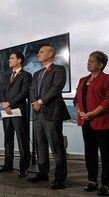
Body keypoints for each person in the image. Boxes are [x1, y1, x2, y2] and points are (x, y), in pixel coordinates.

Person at [74, 51, 109, 196]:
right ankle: (92, 181)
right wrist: (80, 111)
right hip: (86, 121)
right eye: (88, 60)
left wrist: (93, 113)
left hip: (103, 121)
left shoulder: (108, 79)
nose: (88, 63)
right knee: (90, 153)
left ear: (100, 65)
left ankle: (107, 184)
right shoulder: (82, 80)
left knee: (106, 155)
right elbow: (76, 100)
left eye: (92, 61)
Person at [29, 45, 70, 190]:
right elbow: (32, 90)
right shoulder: (36, 74)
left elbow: (56, 88)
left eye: (41, 52)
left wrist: (40, 102)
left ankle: (60, 179)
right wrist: (35, 103)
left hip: (52, 112)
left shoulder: (59, 70)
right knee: (40, 145)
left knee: (56, 147)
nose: (38, 54)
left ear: (51, 54)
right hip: (38, 114)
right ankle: (42, 173)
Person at [0, 51, 32, 178]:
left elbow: (24, 93)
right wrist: (3, 103)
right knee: (8, 138)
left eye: (11, 58)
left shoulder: (27, 75)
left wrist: (9, 103)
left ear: (19, 60)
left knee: (22, 140)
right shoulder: (6, 76)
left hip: (18, 111)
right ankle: (8, 164)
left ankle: (24, 168)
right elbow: (1, 91)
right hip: (6, 112)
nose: (9, 60)